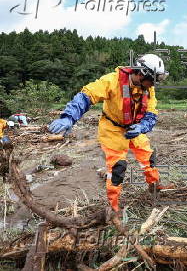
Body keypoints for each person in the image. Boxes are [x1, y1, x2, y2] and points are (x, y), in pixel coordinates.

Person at [48, 54, 169, 212]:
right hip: (112, 129)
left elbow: (151, 113)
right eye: (152, 80)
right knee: (117, 168)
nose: (153, 85)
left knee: (149, 158)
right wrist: (69, 117)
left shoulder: (147, 89)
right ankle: (114, 208)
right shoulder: (112, 81)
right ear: (141, 73)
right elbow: (87, 95)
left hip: (134, 128)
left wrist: (143, 126)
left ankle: (154, 186)